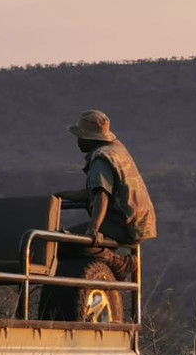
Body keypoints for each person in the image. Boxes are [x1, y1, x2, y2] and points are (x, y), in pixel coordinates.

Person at [54, 110, 156, 280]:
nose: (78, 141)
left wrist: (93, 228)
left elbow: (102, 195)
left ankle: (118, 262)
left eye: (80, 136)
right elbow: (97, 190)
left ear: (89, 138)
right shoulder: (115, 150)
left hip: (124, 222)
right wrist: (65, 195)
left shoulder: (101, 159)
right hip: (137, 220)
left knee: (64, 243)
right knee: (69, 242)